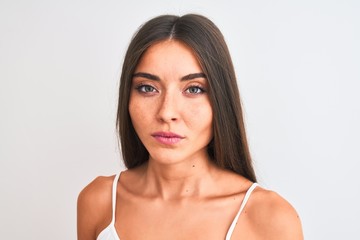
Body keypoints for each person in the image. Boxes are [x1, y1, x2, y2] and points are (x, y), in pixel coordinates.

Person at [77, 14, 303, 240]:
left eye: (194, 89)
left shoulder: (270, 220)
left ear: (221, 100)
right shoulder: (100, 201)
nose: (166, 112)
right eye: (147, 88)